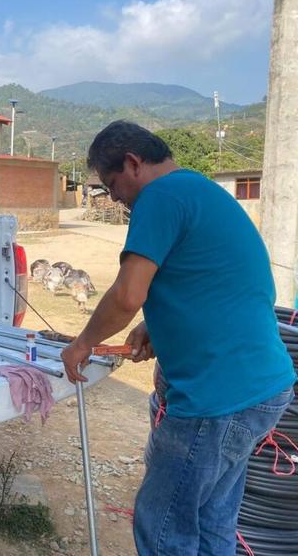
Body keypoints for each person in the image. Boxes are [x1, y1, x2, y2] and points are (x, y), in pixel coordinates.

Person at [60, 120, 295, 555]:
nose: (115, 198)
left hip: (217, 398)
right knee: (211, 523)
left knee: (164, 527)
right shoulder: (201, 190)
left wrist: (83, 343)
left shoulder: (159, 196)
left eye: (113, 185)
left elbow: (127, 294)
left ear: (133, 163)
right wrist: (157, 325)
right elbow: (216, 281)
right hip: (261, 387)